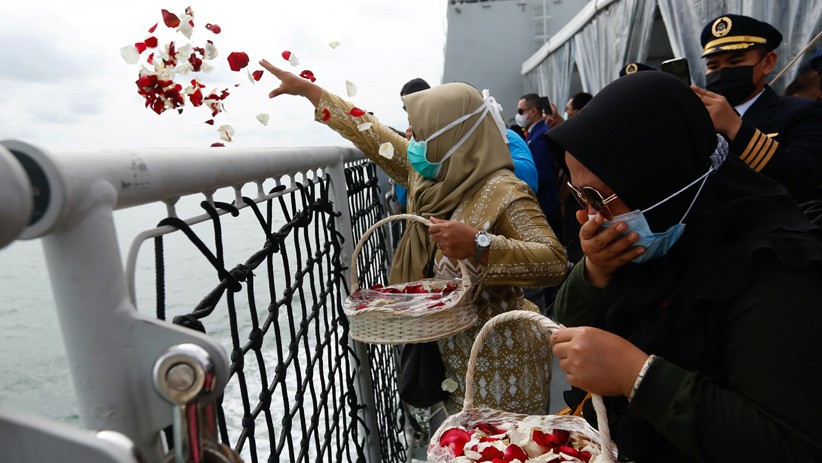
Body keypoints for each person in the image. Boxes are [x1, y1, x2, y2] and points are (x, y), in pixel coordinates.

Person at [259, 60, 568, 415]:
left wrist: (480, 246)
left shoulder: (503, 190)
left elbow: (554, 261)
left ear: (451, 136)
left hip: (503, 360)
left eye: (420, 133)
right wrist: (310, 92)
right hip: (450, 356)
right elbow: (371, 134)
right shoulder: (429, 179)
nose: (411, 140)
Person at [546, 71, 822, 461]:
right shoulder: (651, 237)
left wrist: (637, 376)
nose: (588, 216)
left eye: (596, 196)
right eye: (578, 195)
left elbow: (789, 444)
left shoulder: (776, 269)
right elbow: (571, 322)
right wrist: (594, 271)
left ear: (659, 174)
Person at [691, 14, 822, 224]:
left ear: (767, 63)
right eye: (713, 66)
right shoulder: (699, 121)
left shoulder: (803, 112)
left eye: (735, 61)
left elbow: (803, 179)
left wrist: (736, 127)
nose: (722, 72)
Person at [516, 93, 561, 232]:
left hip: (544, 201)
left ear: (533, 111)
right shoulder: (533, 133)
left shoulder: (540, 135)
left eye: (520, 111)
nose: (518, 115)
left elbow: (542, 173)